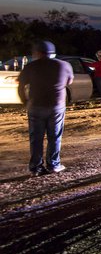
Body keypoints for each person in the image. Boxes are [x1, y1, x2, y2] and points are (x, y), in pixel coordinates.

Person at [17, 41, 74, 176]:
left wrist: (25, 102)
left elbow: (21, 87)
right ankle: (53, 164)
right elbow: (69, 81)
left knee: (36, 138)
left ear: (37, 53)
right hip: (56, 106)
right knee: (55, 136)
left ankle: (36, 168)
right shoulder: (64, 65)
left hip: (35, 106)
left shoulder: (30, 67)